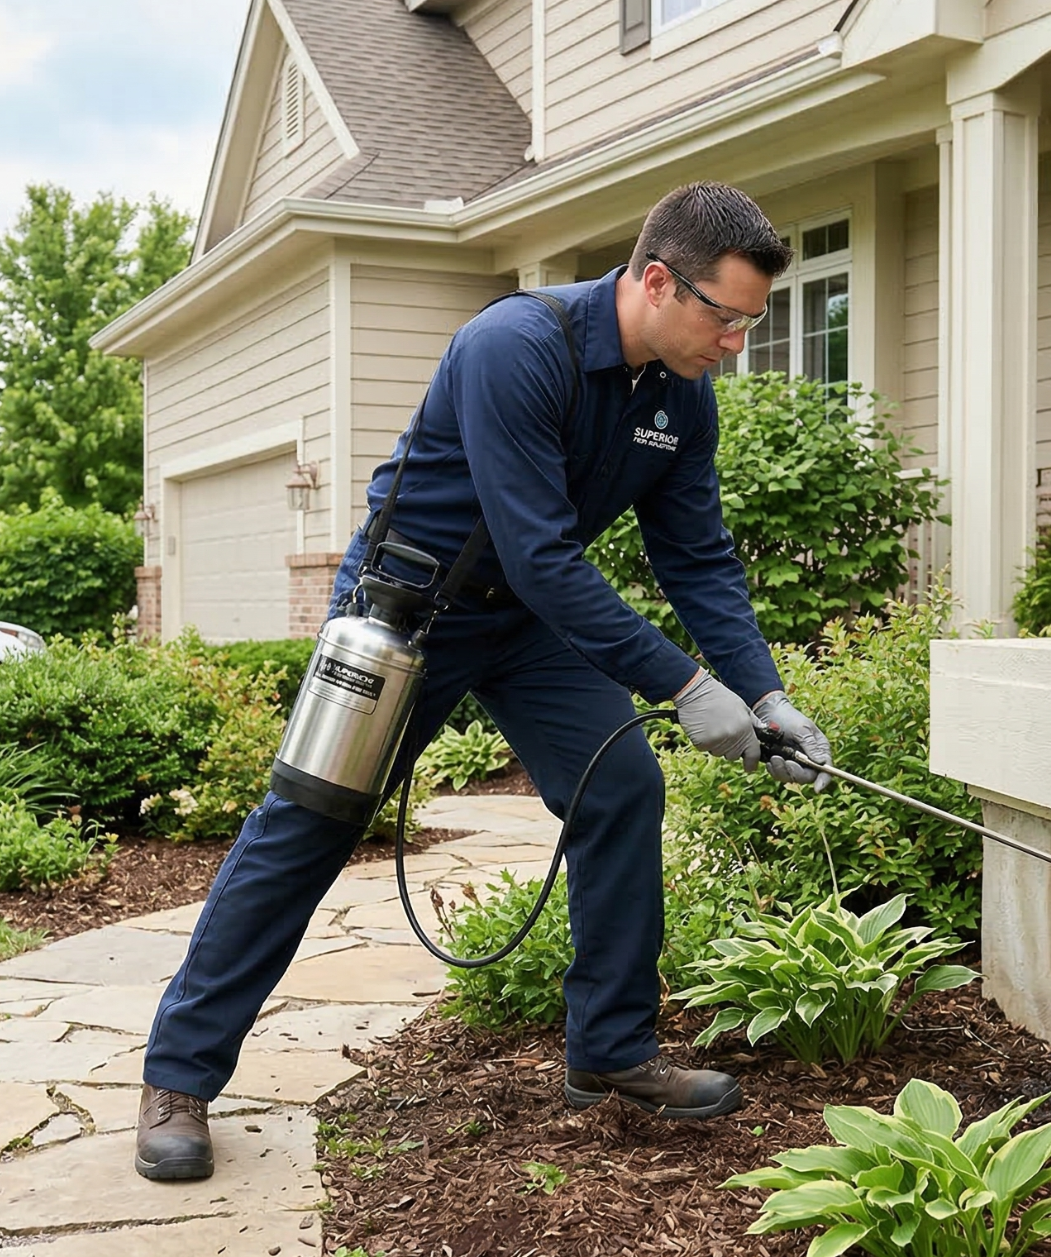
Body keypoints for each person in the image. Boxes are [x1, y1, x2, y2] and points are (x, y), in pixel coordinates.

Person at [135, 182, 835, 1182]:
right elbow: (543, 552)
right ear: (652, 280)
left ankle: (609, 1052)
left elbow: (698, 559)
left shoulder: (680, 400)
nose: (734, 344)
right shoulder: (518, 344)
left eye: (747, 323)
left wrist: (763, 695)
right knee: (309, 821)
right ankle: (179, 1078)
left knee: (622, 788)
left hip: (527, 620)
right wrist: (686, 687)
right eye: (725, 318)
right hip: (408, 611)